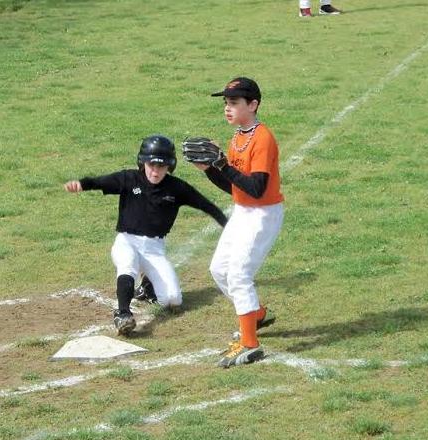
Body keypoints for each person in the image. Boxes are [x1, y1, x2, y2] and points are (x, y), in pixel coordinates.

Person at [64, 135, 227, 336]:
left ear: (170, 166)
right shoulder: (129, 178)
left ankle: (146, 288)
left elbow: (207, 206)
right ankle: (123, 313)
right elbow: (101, 181)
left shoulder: (177, 188)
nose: (156, 170)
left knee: (173, 299)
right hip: (127, 242)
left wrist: (227, 226)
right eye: (152, 164)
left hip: (154, 249)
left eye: (162, 166)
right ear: (143, 162)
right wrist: (81, 184)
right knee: (128, 265)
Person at [192, 77, 284, 368]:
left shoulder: (262, 138)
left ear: (253, 104)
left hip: (263, 214)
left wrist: (222, 164)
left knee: (239, 275)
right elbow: (235, 187)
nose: (227, 108)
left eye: (234, 103)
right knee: (219, 269)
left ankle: (249, 344)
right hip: (243, 212)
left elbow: (256, 187)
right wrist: (209, 169)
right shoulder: (238, 137)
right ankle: (255, 315)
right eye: (226, 103)